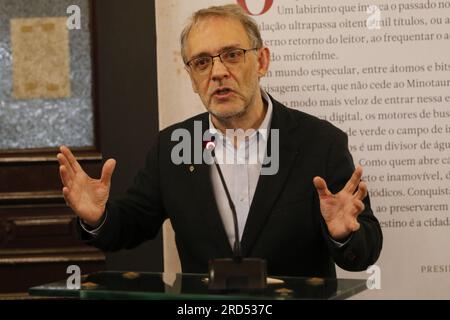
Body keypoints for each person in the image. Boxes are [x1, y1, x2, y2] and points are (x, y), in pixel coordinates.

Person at [57, 4, 382, 278]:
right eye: (202, 62)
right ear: (193, 78)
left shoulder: (320, 142)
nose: (217, 72)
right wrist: (96, 217)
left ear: (262, 61)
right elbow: (130, 226)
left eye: (232, 54)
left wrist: (343, 235)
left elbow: (364, 250)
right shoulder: (173, 147)